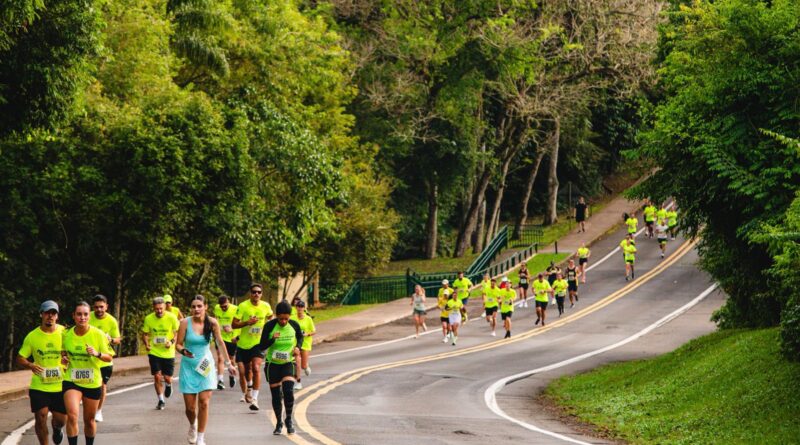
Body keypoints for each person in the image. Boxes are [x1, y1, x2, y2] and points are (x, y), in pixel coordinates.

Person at [175, 295, 236, 445]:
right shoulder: (184, 323)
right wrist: (183, 352)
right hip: (188, 366)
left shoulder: (212, 323)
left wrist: (229, 364)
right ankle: (193, 425)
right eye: (193, 306)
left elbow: (220, 343)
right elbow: (178, 344)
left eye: (199, 306)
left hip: (205, 365)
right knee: (190, 408)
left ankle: (201, 437)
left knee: (203, 402)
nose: (196, 309)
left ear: (205, 307)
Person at [61, 302, 113, 445]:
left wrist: (97, 353)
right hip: (72, 380)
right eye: (79, 314)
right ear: (74, 316)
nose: (82, 317)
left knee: (89, 421)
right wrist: (63, 359)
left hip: (92, 381)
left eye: (85, 314)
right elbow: (63, 353)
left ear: (89, 316)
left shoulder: (98, 335)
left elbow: (109, 357)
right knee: (72, 416)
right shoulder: (66, 335)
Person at [17, 300, 67, 445]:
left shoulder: (65, 333)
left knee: (61, 420)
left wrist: (69, 359)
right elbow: (20, 358)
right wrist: (30, 365)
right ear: (41, 315)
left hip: (61, 385)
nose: (50, 316)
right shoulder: (32, 336)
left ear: (57, 316)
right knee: (41, 416)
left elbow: (74, 351)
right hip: (40, 385)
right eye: (47, 313)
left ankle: (57, 430)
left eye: (53, 313)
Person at [256, 301, 303, 436]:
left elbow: (299, 337)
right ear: (276, 316)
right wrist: (272, 339)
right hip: (273, 364)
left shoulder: (294, 325)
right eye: (281, 318)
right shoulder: (269, 326)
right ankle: (278, 422)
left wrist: (297, 347)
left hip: (288, 362)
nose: (283, 321)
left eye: (286, 319)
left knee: (288, 390)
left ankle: (288, 420)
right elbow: (262, 346)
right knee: (276, 395)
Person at [231, 283, 274, 410]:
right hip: (243, 344)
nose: (256, 294)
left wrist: (268, 328)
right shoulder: (243, 306)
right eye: (254, 292)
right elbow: (234, 324)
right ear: (250, 293)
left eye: (259, 292)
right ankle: (249, 387)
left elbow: (271, 317)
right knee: (244, 371)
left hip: (258, 343)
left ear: (261, 294)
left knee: (255, 368)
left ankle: (255, 399)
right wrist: (247, 323)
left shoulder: (265, 306)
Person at [141, 296, 180, 410]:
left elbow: (177, 332)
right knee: (157, 376)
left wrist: (172, 342)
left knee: (167, 377)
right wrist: (147, 344)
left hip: (168, 352)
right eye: (157, 309)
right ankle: (161, 400)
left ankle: (168, 384)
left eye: (161, 308)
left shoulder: (172, 317)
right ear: (153, 308)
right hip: (154, 351)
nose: (159, 311)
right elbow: (145, 334)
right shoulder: (149, 318)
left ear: (165, 307)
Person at [88, 294, 120, 423]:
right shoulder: (87, 317)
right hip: (89, 358)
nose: (99, 310)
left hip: (105, 358)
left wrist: (111, 339)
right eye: (96, 307)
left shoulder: (111, 320)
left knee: (102, 384)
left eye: (101, 307)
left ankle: (98, 411)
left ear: (106, 307)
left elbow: (117, 339)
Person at [213, 295, 239, 390]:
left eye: (225, 306)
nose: (223, 308)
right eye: (221, 306)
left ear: (228, 302)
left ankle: (232, 375)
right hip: (220, 337)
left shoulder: (236, 309)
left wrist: (232, 329)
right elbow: (216, 319)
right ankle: (220, 381)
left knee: (231, 359)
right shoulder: (217, 308)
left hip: (232, 338)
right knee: (220, 357)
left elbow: (241, 323)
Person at [290, 301, 315, 390]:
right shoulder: (292, 318)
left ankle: (306, 366)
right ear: (296, 308)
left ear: (304, 308)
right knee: (297, 362)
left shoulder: (308, 319)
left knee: (303, 365)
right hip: (295, 343)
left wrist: (306, 334)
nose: (300, 308)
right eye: (298, 306)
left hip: (305, 343)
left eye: (302, 306)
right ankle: (298, 382)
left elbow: (314, 331)